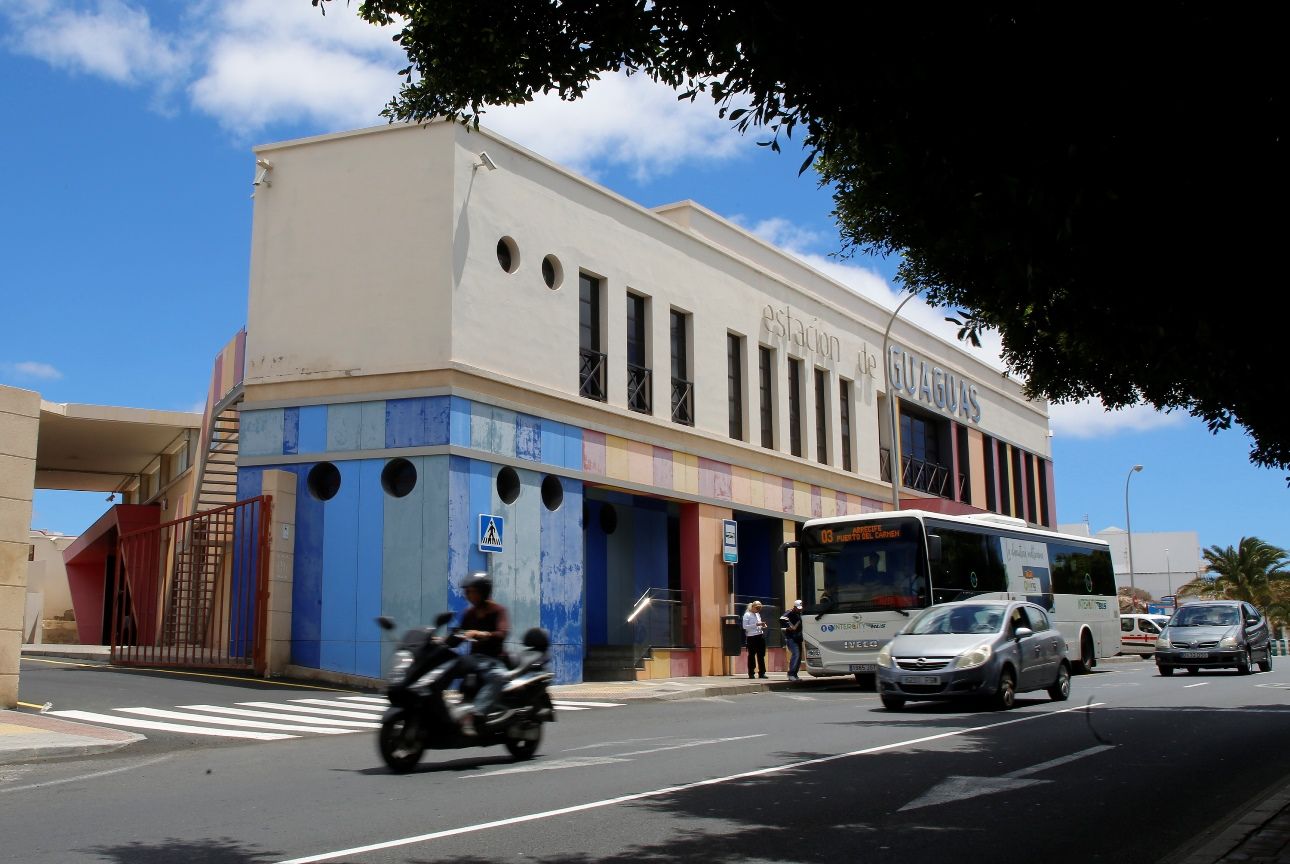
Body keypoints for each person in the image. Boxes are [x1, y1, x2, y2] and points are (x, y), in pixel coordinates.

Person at [458, 572, 511, 732]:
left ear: (482, 591)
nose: (467, 595)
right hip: (474, 660)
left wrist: (481, 634)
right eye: (466, 591)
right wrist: (437, 640)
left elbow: (502, 633)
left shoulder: (498, 610)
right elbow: (459, 634)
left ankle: (476, 713)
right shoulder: (469, 613)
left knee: (497, 677)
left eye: (470, 591)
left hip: (494, 659)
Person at [742, 600, 768, 679]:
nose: (758, 609)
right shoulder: (747, 615)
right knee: (751, 655)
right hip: (751, 637)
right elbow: (745, 626)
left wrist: (762, 625)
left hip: (759, 635)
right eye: (757, 608)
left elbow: (759, 624)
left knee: (761, 655)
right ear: (752, 607)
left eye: (760, 608)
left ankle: (762, 672)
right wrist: (756, 624)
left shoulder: (757, 614)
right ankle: (751, 673)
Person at [780, 599, 804, 681]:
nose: (799, 609)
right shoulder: (790, 612)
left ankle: (795, 674)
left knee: (799, 656)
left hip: (798, 638)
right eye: (798, 608)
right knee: (796, 654)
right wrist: (789, 626)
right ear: (794, 607)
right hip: (791, 638)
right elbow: (782, 619)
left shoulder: (800, 614)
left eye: (800, 608)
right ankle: (791, 674)